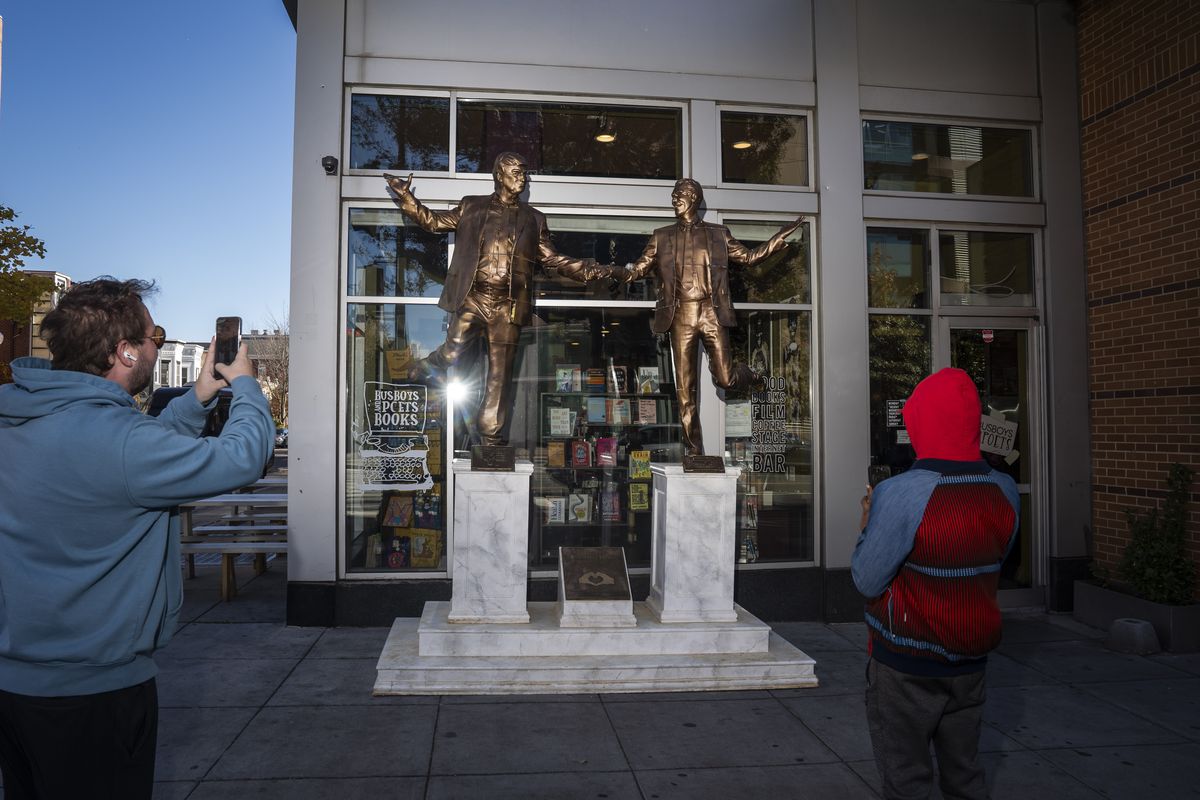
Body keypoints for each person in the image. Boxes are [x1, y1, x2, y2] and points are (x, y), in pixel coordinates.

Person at [0, 277, 274, 799]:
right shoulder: (123, 443)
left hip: (14, 689)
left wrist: (198, 396)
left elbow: (124, 458)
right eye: (156, 336)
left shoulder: (18, 419)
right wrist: (245, 386)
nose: (157, 346)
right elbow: (244, 457)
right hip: (92, 697)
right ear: (126, 352)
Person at [851, 367, 1019, 800]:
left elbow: (867, 579)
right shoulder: (1004, 489)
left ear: (921, 423)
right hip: (972, 661)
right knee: (965, 776)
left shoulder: (903, 492)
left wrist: (867, 524)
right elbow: (994, 561)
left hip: (906, 662)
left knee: (906, 780)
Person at [384, 152, 620, 446]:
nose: (523, 178)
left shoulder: (534, 219)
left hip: (507, 307)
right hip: (474, 298)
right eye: (516, 172)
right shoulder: (472, 206)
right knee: (452, 353)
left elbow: (553, 260)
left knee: (500, 376)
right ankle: (426, 365)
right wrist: (407, 198)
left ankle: (491, 440)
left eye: (524, 173)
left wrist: (593, 270)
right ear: (499, 175)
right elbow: (433, 222)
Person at [619, 178, 802, 455]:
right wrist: (608, 271)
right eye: (673, 195)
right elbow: (637, 271)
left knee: (726, 379)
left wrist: (778, 239)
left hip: (711, 313)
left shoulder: (718, 233)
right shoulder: (661, 236)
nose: (674, 199)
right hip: (680, 315)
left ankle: (752, 376)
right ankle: (694, 451)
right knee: (684, 390)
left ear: (693, 197)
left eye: (679, 194)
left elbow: (749, 258)